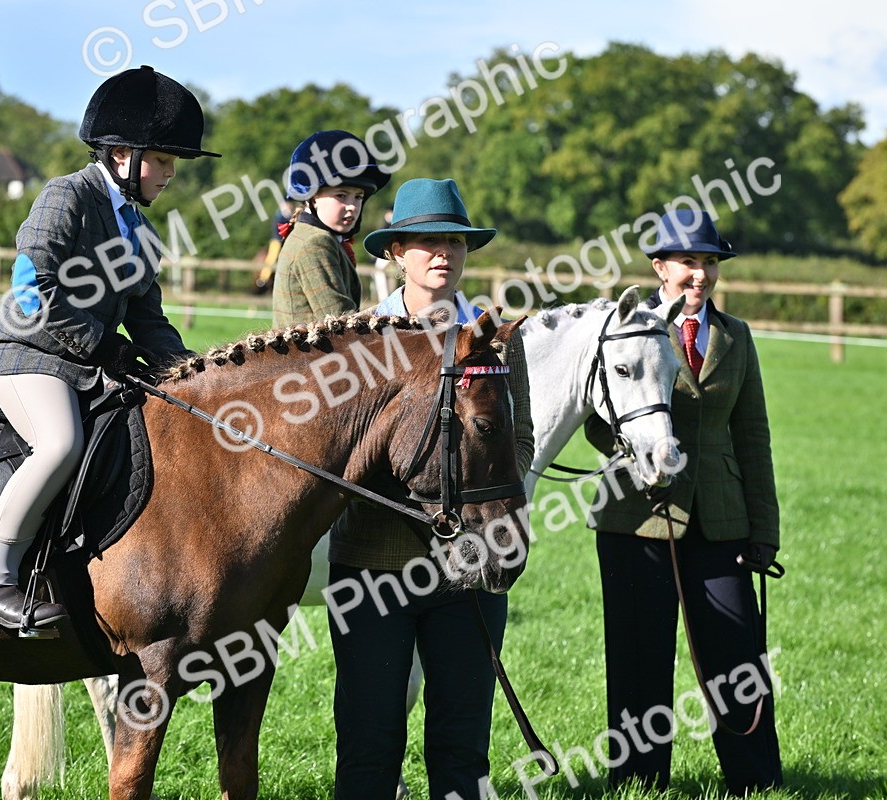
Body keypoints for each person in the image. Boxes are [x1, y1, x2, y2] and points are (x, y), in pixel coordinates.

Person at [0, 65, 217, 634]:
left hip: (89, 367)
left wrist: (193, 374)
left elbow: (149, 321)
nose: (171, 175)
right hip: (30, 356)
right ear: (122, 155)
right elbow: (34, 289)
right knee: (59, 443)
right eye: (164, 161)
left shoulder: (142, 232)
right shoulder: (66, 196)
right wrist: (103, 345)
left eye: (174, 164)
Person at [328, 178, 534, 800]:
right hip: (373, 565)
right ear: (396, 252)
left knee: (462, 745)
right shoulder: (360, 340)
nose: (441, 253)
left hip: (469, 569)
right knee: (369, 744)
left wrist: (483, 506)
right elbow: (339, 455)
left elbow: (516, 442)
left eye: (452, 241)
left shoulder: (494, 336)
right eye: (425, 242)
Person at [583, 209, 783, 795]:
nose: (700, 274)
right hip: (634, 514)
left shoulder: (736, 337)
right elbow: (599, 414)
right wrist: (641, 451)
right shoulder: (629, 325)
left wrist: (763, 529)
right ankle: (639, 780)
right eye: (689, 262)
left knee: (736, 655)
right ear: (660, 267)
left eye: (709, 262)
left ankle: (756, 780)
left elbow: (754, 435)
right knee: (639, 654)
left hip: (722, 520)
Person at [271, 129, 391, 326]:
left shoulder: (314, 236)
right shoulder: (315, 242)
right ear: (313, 198)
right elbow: (342, 325)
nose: (352, 205)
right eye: (341, 195)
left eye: (358, 197)